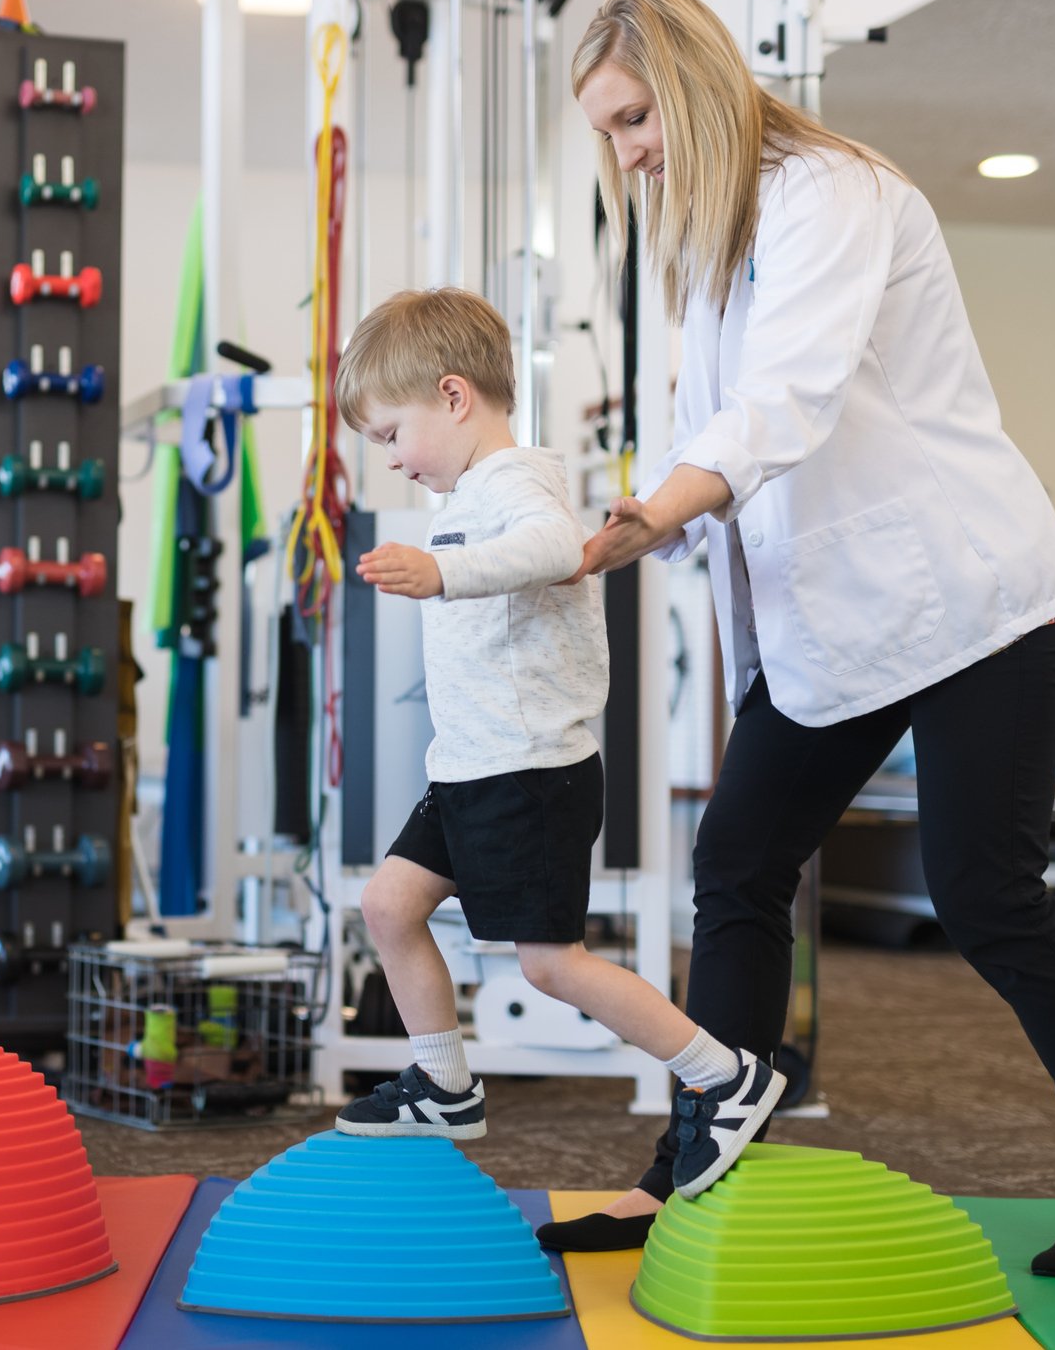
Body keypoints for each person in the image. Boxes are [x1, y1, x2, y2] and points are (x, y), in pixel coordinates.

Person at [535, 0, 1055, 1279]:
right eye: (607, 135)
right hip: (833, 626)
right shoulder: (713, 246)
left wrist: (654, 510)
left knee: (989, 898)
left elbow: (787, 402)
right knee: (736, 869)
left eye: (630, 121)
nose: (625, 156)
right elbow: (712, 444)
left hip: (971, 602)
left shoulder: (828, 191)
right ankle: (691, 1163)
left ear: (690, 84)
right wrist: (631, 524)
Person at [329, 286, 784, 1200]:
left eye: (389, 435)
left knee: (548, 965)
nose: (388, 461)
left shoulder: (516, 479)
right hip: (467, 769)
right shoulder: (464, 490)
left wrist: (441, 573)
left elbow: (554, 549)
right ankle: (444, 1085)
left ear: (454, 398)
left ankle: (721, 1074)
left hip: (527, 772)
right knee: (386, 907)